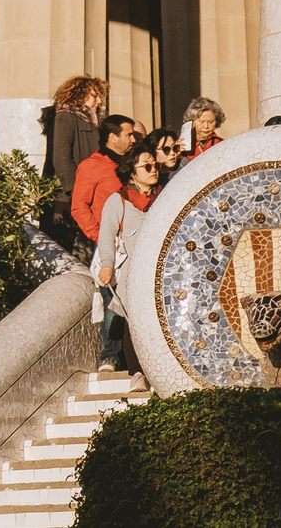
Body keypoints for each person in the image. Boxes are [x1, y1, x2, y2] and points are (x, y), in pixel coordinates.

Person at [93, 142, 163, 390]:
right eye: (146, 166)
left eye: (155, 165)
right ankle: (137, 374)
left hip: (163, 273)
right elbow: (106, 235)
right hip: (133, 274)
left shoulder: (165, 196)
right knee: (133, 323)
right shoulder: (118, 200)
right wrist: (108, 265)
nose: (153, 170)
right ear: (132, 171)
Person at [46, 76, 106, 248]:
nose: (99, 101)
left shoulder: (92, 121)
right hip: (68, 199)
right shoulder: (65, 117)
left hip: (87, 196)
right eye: (94, 96)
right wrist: (76, 193)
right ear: (79, 95)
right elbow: (61, 158)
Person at [73, 114, 140, 244]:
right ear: (113, 138)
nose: (133, 140)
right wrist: (101, 237)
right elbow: (79, 206)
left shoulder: (133, 162)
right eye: (128, 135)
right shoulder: (92, 165)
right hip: (104, 243)